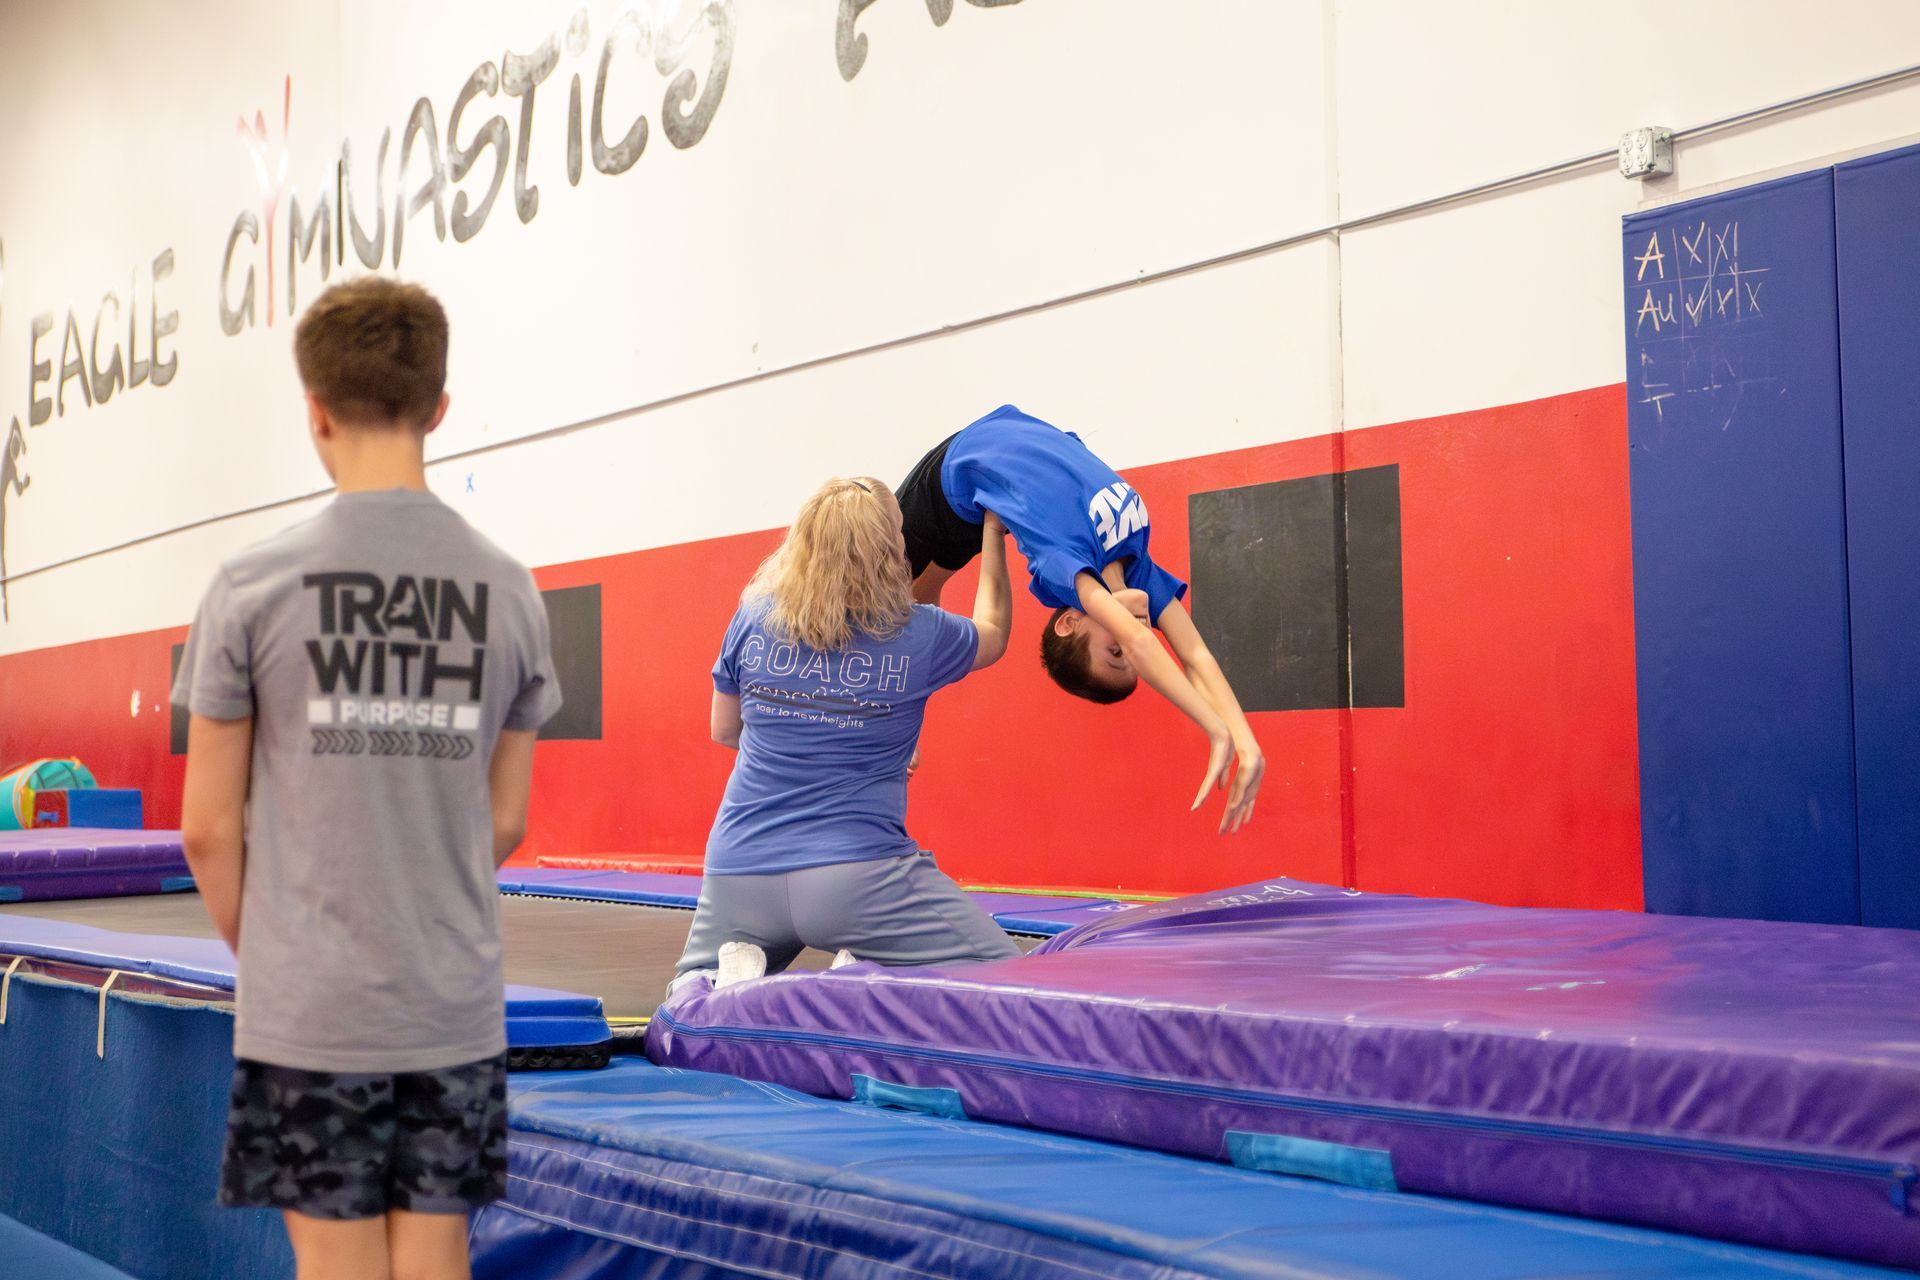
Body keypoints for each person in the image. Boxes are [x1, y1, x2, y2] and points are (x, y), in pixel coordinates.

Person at [174, 278, 561, 1280]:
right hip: (451, 996)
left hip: (315, 996)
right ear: (438, 406)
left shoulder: (249, 586)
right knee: (434, 1254)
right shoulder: (509, 589)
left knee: (339, 1263)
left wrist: (280, 953)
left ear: (316, 410)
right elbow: (507, 814)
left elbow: (208, 829)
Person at [670, 476, 1018, 992]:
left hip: (739, 870)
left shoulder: (753, 616)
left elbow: (725, 730)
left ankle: (723, 985)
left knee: (688, 992)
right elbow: (993, 630)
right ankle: (865, 972)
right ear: (889, 550)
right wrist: (993, 532)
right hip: (857, 880)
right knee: (1008, 976)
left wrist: (803, 728)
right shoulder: (919, 632)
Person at [896, 404, 1263, 833]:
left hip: (956, 479)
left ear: (1070, 621)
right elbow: (1195, 654)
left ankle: (897, 730)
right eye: (1130, 656)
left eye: (1115, 651)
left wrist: (1214, 729)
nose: (1138, 637)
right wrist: (1244, 740)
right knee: (912, 604)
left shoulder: (1065, 568)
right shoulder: (1136, 569)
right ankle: (904, 726)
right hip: (987, 469)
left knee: (883, 611)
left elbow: (1147, 646)